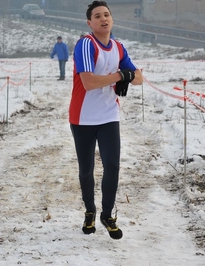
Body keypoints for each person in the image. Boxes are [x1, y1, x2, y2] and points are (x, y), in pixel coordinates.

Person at [69, 0, 143, 240]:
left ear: (112, 20)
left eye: (107, 15)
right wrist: (120, 75)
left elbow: (139, 78)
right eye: (98, 16)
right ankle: (90, 210)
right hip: (83, 117)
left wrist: (128, 74)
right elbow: (89, 82)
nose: (104, 19)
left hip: (109, 115)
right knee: (86, 169)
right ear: (90, 23)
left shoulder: (119, 47)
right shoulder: (85, 44)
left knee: (112, 166)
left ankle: (107, 214)